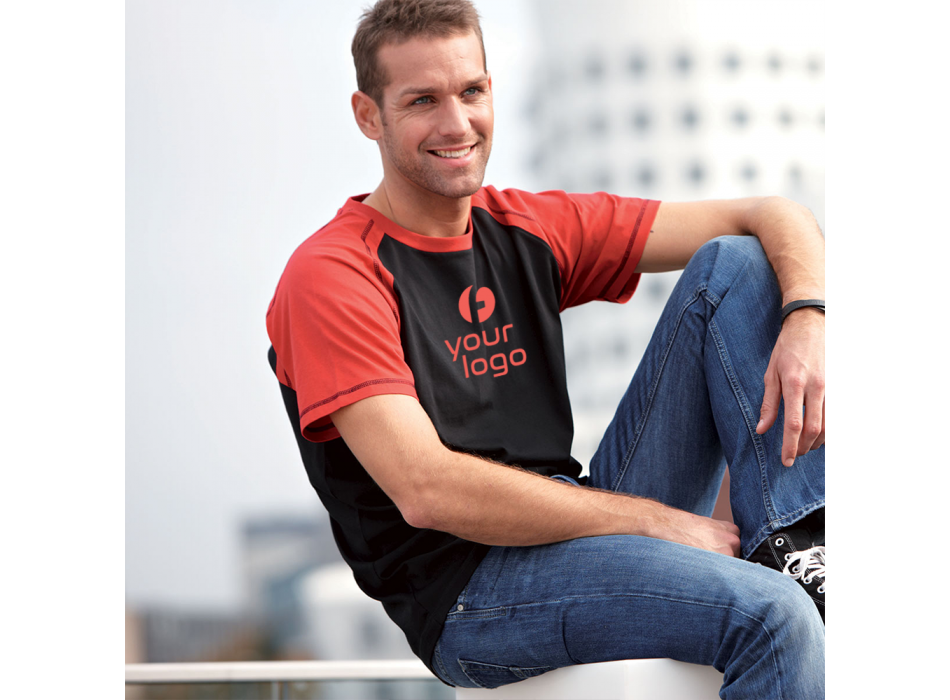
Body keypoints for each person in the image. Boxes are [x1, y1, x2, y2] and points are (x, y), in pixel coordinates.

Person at [265, 0, 826, 696]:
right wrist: (658, 524)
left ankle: (799, 543)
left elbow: (772, 213)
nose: (456, 123)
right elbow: (426, 489)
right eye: (422, 101)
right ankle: (789, 588)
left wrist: (809, 318)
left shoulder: (524, 226)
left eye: (471, 91)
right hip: (470, 593)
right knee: (774, 617)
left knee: (736, 265)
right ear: (368, 115)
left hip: (575, 523)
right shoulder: (333, 275)